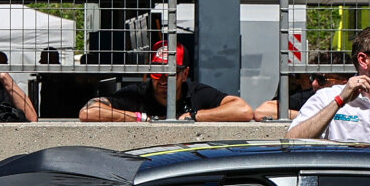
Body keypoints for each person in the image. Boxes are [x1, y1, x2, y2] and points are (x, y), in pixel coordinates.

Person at [78, 42, 253, 122]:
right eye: (157, 72)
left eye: (170, 73)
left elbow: (243, 110)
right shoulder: (137, 93)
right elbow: (88, 112)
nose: (163, 78)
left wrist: (194, 116)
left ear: (184, 74)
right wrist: (140, 118)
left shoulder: (196, 92)